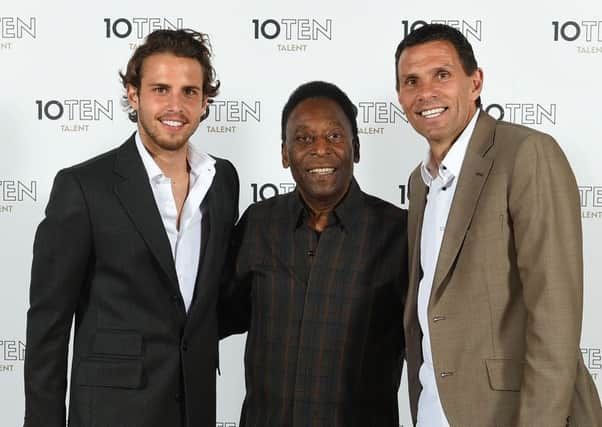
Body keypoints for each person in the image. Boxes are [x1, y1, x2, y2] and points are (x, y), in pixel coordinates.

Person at [24, 29, 239, 427]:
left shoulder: (222, 180)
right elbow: (47, 329)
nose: (176, 105)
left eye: (189, 91)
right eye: (161, 89)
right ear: (134, 94)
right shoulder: (84, 187)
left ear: (205, 100)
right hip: (111, 414)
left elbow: (212, 303)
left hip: (194, 410)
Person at [395, 23, 602, 426]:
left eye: (442, 75)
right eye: (411, 81)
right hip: (435, 413)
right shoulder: (418, 184)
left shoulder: (526, 154)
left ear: (475, 82)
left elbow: (554, 315)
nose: (426, 93)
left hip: (510, 415)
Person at [219, 81, 407, 426]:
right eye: (303, 138)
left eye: (334, 136)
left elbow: (434, 348)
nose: (320, 149)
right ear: (285, 153)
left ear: (356, 147)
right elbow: (212, 318)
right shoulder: (259, 224)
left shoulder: (400, 233)